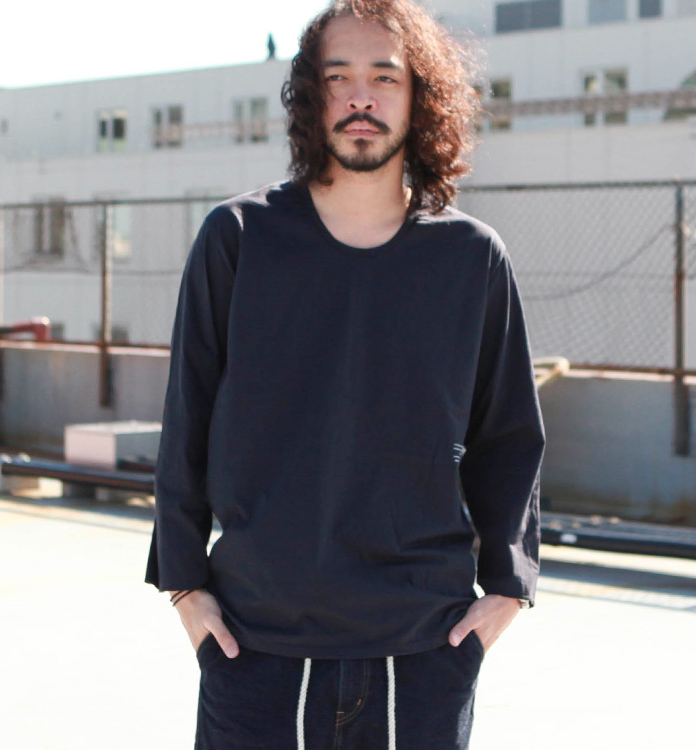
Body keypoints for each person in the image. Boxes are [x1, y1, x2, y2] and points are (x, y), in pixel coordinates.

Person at [145, 1, 545, 748]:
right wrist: (185, 586)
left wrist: (507, 590)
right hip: (253, 645)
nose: (362, 97)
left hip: (423, 651)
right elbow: (187, 418)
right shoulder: (239, 238)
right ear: (311, 94)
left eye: (384, 77)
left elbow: (509, 436)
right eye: (339, 77)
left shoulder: (471, 258)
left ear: (420, 97)